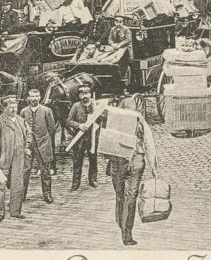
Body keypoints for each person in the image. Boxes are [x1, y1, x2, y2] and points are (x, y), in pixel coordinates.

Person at [107, 113, 156, 246]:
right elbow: (149, 143)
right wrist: (153, 167)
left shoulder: (114, 120)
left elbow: (105, 142)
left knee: (119, 196)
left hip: (118, 161)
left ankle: (121, 223)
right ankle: (127, 233)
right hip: (136, 161)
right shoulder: (140, 121)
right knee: (131, 198)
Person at [0, 96, 31, 222]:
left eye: (15, 107)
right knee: (0, 184)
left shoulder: (21, 121)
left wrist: (27, 147)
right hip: (3, 158)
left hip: (19, 158)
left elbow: (29, 134)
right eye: (10, 107)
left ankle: (15, 211)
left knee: (17, 184)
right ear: (4, 107)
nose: (13, 109)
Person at [20, 89, 55, 201]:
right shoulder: (24, 111)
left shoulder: (47, 110)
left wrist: (45, 140)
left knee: (45, 171)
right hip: (28, 146)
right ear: (28, 98)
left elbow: (52, 129)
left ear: (40, 97)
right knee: (25, 171)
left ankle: (47, 194)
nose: (34, 99)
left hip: (43, 144)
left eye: (36, 96)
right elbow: (21, 128)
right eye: (32, 96)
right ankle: (21, 195)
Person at [65, 84, 100, 191]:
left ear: (90, 94)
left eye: (86, 93)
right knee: (77, 160)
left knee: (93, 159)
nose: (84, 96)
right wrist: (79, 125)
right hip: (79, 138)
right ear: (79, 95)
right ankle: (76, 183)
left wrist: (97, 116)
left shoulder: (95, 105)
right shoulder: (76, 106)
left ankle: (93, 179)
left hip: (92, 136)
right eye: (82, 94)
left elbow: (103, 118)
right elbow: (69, 121)